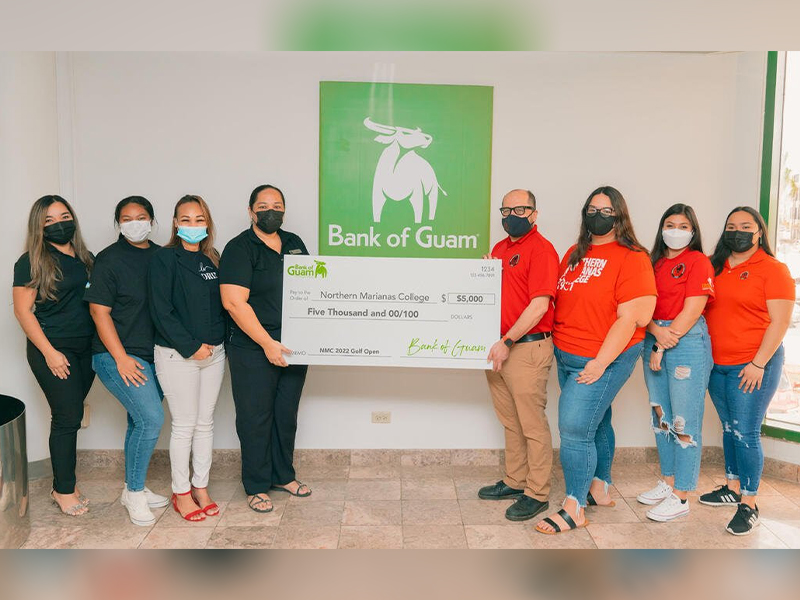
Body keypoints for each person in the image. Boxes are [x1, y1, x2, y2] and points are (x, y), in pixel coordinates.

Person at [535, 186, 657, 535]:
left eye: (606, 211)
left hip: (603, 356)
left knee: (574, 429)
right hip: (567, 352)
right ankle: (600, 486)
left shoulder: (632, 257)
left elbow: (632, 318)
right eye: (592, 209)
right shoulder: (575, 253)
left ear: (620, 216)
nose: (598, 215)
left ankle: (574, 506)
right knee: (597, 420)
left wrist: (600, 363)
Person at [700, 206, 794, 535]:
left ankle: (749, 503)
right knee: (729, 428)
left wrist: (758, 363)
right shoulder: (715, 267)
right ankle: (731, 486)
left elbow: (780, 322)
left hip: (753, 366)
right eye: (731, 226)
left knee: (746, 432)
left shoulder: (773, 269)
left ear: (758, 233)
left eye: (745, 226)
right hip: (717, 366)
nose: (737, 231)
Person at [220, 184, 312, 514]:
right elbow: (233, 302)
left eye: (277, 205)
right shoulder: (239, 249)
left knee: (286, 415)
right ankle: (257, 485)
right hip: (252, 349)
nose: (270, 210)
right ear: (250, 212)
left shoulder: (295, 244)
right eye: (262, 206)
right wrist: (267, 343)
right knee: (255, 417)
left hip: (294, 348)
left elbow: (313, 290)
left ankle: (283, 475)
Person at [85, 196, 168, 526]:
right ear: (119, 223)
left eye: (142, 216)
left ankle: (132, 487)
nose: (135, 223)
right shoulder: (109, 259)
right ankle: (134, 494)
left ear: (152, 220)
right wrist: (120, 358)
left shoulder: (163, 257)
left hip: (156, 356)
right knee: (151, 419)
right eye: (127, 218)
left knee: (139, 422)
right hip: (116, 355)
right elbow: (98, 311)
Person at [479, 189, 559, 522]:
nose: (512, 214)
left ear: (534, 214)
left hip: (525, 347)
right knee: (510, 421)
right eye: (506, 209)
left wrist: (508, 341)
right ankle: (515, 480)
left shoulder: (541, 250)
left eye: (520, 208)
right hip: (499, 348)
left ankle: (537, 494)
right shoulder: (500, 248)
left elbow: (539, 305)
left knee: (531, 424)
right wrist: (481, 278)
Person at [12, 195, 95, 516]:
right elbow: (23, 312)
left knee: (71, 415)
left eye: (64, 217)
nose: (59, 224)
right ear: (39, 227)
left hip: (87, 349)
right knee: (66, 418)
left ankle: (65, 484)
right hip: (54, 349)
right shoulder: (31, 261)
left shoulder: (86, 257)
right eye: (49, 221)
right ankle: (63, 490)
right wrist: (50, 353)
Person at [150, 195, 227, 523]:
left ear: (207, 224)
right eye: (186, 219)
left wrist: (215, 344)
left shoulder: (213, 258)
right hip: (177, 354)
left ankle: (201, 487)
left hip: (215, 353)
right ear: (175, 223)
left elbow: (221, 306)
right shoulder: (164, 259)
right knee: (183, 425)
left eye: (199, 219)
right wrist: (191, 346)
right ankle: (181, 493)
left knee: (205, 423)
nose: (193, 225)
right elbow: (161, 311)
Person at [637, 204, 714, 521]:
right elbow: (642, 305)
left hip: (686, 342)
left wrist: (663, 342)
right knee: (660, 415)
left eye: (684, 226)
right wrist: (656, 335)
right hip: (655, 336)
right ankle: (668, 483)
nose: (676, 230)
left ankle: (682, 495)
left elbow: (694, 307)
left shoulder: (698, 261)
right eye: (671, 224)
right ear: (661, 228)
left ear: (693, 231)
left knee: (684, 420)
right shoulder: (651, 262)